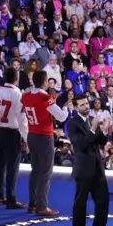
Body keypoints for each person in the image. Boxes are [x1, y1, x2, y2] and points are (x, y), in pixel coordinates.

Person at [67, 95, 113, 226]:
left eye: (86, 103)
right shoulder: (73, 124)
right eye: (82, 105)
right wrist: (93, 129)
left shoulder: (92, 119)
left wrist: (103, 130)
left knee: (103, 199)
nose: (86, 106)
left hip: (97, 167)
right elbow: (80, 145)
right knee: (81, 202)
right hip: (83, 168)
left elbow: (101, 142)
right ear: (76, 108)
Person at [22, 70, 70, 216]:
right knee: (46, 172)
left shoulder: (26, 96)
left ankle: (32, 203)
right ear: (44, 82)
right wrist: (66, 107)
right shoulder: (46, 98)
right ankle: (42, 206)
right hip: (44, 136)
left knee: (35, 170)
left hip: (31, 134)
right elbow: (61, 117)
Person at [0, 67, 29, 208]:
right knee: (12, 166)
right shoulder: (17, 93)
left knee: (0, 165)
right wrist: (26, 137)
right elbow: (22, 117)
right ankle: (11, 198)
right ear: (16, 78)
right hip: (11, 132)